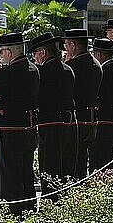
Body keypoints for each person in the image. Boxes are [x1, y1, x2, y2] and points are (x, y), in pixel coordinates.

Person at [0, 32, 39, 216]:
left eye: (1, 52)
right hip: (29, 125)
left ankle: (13, 211)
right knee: (26, 171)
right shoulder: (33, 68)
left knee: (10, 173)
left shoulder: (5, 73)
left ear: (8, 52)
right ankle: (29, 208)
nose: (0, 55)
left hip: (11, 127)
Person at [32, 32, 77, 198]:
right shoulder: (68, 69)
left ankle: (50, 203)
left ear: (42, 52)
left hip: (49, 124)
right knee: (66, 166)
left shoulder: (42, 73)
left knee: (49, 167)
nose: (35, 57)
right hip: (69, 123)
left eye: (35, 53)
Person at [63, 29, 103, 178]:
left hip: (77, 117)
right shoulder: (96, 63)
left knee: (74, 160)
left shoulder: (73, 65)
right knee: (85, 159)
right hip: (92, 116)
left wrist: (66, 65)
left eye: (67, 45)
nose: (66, 48)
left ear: (73, 45)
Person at [89, 38, 113, 172]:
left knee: (99, 157)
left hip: (102, 120)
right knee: (112, 156)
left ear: (99, 54)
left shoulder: (102, 71)